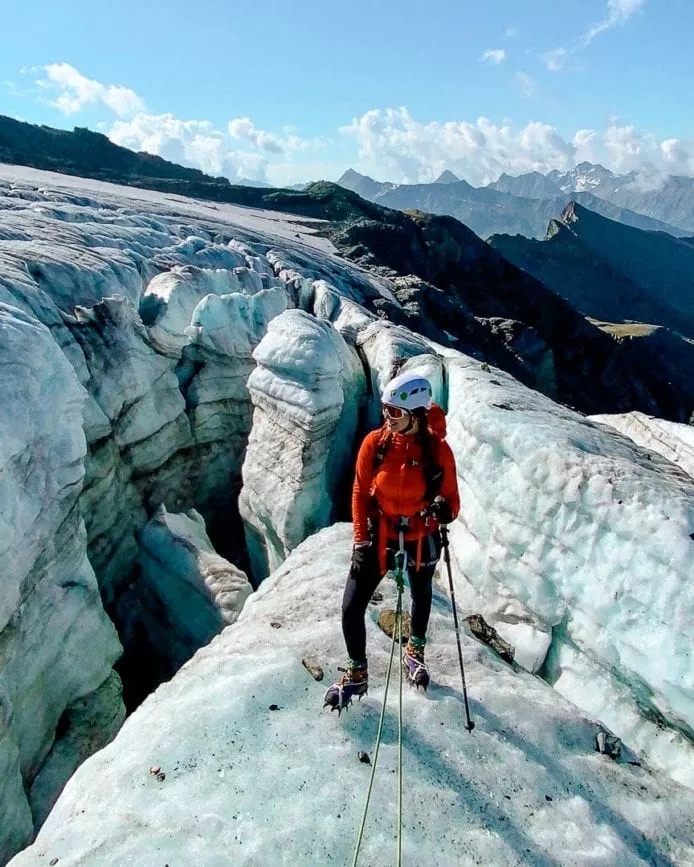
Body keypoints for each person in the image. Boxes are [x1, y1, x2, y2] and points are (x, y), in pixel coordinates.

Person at [324, 371, 460, 713]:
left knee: (421, 593)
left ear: (415, 414)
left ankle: (415, 650)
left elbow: (452, 502)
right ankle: (357, 671)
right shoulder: (376, 443)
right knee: (351, 607)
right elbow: (359, 490)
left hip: (420, 532)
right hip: (380, 532)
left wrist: (444, 510)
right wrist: (360, 540)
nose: (388, 418)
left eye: (395, 413)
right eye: (386, 410)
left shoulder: (438, 451)